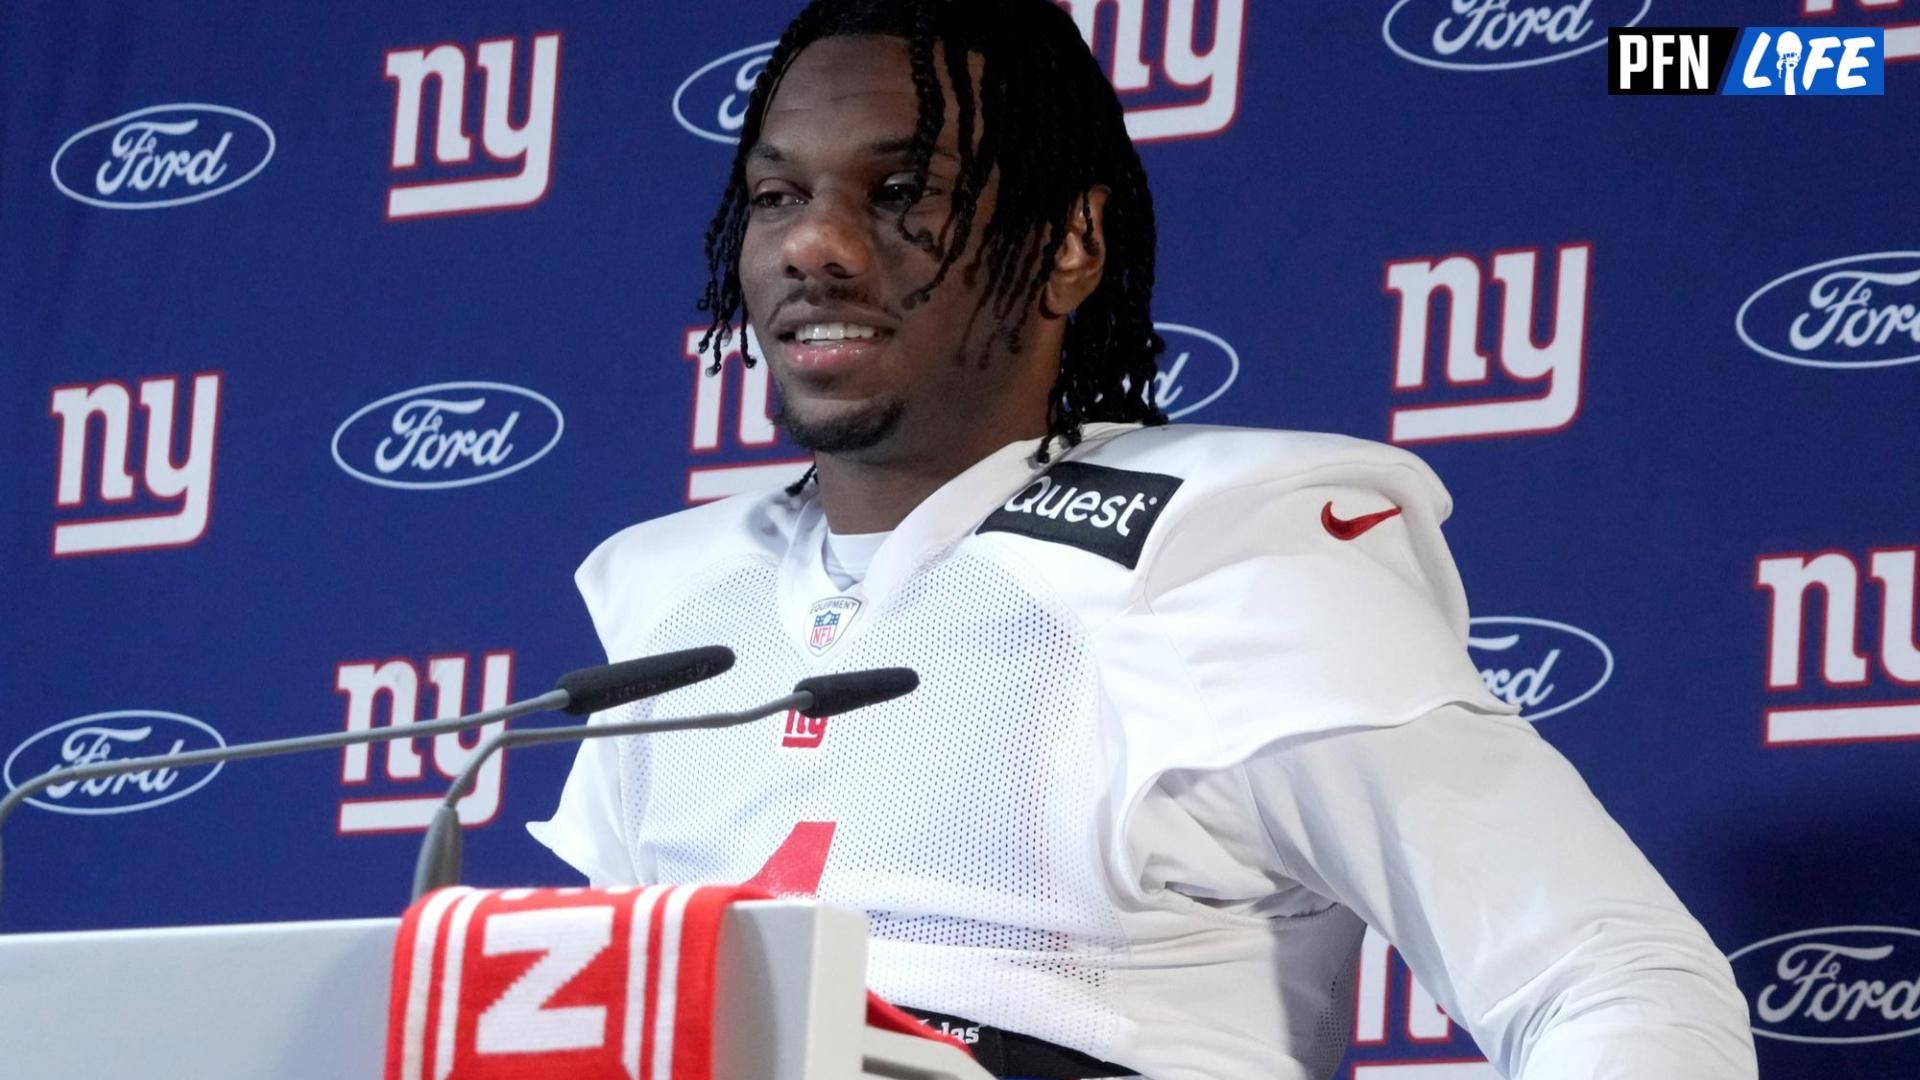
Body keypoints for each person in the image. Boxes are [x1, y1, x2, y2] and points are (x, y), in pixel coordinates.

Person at [530, 1, 1758, 1076]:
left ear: (1069, 246)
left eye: (902, 194)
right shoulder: (678, 605)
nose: (815, 245)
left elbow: (1614, 980)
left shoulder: (1227, 557)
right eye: (778, 197)